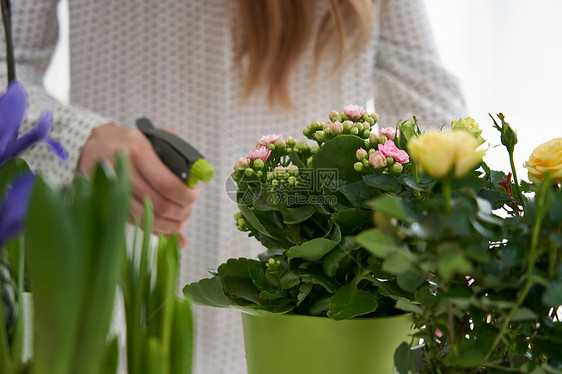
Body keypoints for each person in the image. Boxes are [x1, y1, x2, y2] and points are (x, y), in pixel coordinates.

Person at [2, 0, 466, 373]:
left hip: (309, 311)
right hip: (116, 298)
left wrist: (432, 246)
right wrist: (85, 138)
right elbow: (9, 63)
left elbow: (429, 107)